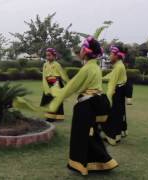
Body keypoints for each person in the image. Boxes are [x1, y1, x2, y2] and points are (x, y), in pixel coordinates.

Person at [45, 37, 118, 175]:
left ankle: (86, 164)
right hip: (93, 105)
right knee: (91, 135)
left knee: (82, 137)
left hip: (86, 107)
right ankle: (104, 162)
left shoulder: (87, 68)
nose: (80, 50)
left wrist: (56, 100)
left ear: (86, 50)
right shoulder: (95, 66)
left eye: (82, 47)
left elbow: (71, 87)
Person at [101, 44, 128, 145]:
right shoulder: (119, 65)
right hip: (119, 93)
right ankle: (117, 137)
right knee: (117, 115)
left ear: (117, 55)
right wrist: (100, 78)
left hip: (116, 93)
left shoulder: (118, 67)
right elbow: (110, 76)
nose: (109, 56)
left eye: (111, 54)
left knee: (112, 115)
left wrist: (108, 98)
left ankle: (112, 138)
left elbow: (112, 83)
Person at [40, 48, 69, 122]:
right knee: (48, 100)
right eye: (46, 55)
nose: (48, 57)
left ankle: (58, 117)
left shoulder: (57, 65)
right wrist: (45, 86)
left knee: (56, 100)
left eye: (49, 55)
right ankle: (50, 117)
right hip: (48, 84)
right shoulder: (45, 65)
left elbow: (63, 75)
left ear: (54, 56)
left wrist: (69, 83)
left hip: (56, 84)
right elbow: (44, 76)